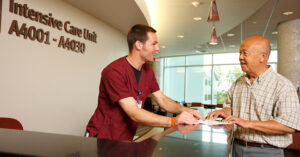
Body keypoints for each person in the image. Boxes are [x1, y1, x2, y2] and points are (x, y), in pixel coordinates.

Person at [86, 24, 204, 141]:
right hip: (103, 138)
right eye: (154, 44)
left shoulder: (147, 70)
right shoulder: (114, 71)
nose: (158, 48)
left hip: (125, 139)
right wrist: (173, 121)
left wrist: (188, 111)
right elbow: (134, 112)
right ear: (139, 45)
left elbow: (162, 100)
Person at [207, 36, 300, 157]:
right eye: (240, 53)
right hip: (236, 148)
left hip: (267, 151)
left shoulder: (283, 86)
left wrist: (248, 123)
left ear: (263, 56)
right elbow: (230, 107)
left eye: (245, 53)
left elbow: (289, 125)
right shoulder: (238, 83)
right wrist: (224, 112)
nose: (240, 57)